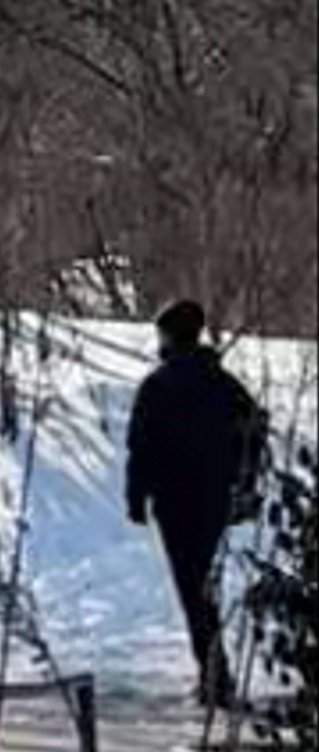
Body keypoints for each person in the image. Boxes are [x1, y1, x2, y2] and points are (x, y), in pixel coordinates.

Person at [125, 300, 270, 726]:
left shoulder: (157, 386)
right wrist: (245, 485)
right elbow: (255, 430)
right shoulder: (224, 384)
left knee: (192, 588)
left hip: (173, 503)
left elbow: (141, 446)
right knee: (206, 583)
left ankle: (214, 675)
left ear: (169, 336)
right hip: (214, 500)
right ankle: (214, 670)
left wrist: (136, 497)